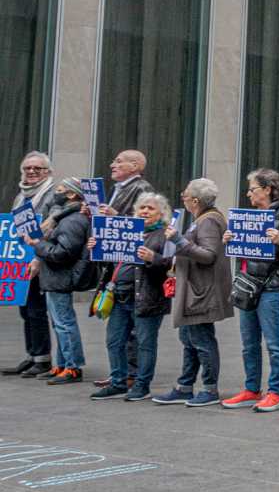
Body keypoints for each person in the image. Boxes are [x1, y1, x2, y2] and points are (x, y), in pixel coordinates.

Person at [220, 169, 279, 412]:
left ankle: (275, 392)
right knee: (248, 342)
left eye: (252, 188)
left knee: (274, 343)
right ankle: (252, 389)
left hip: (271, 286)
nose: (248, 193)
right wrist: (230, 240)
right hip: (247, 284)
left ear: (267, 189)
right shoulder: (250, 217)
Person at [152, 179, 232, 407]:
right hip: (194, 289)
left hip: (201, 291)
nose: (182, 197)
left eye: (185, 194)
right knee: (189, 338)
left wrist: (178, 240)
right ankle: (184, 386)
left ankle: (209, 388)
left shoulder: (208, 221)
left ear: (195, 200)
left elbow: (208, 255)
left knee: (201, 339)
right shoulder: (203, 219)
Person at [92, 149, 152, 390]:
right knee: (118, 330)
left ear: (135, 165)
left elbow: (144, 223)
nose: (112, 164)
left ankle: (131, 373)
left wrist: (116, 215)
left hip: (131, 270)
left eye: (119, 161)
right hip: (115, 266)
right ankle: (121, 372)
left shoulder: (141, 188)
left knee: (131, 330)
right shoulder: (120, 187)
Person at [22, 177, 91, 384]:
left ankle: (72, 367)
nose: (55, 193)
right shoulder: (64, 217)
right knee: (60, 323)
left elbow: (62, 253)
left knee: (64, 323)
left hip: (60, 277)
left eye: (60, 189)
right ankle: (62, 364)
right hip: (54, 278)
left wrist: (37, 244)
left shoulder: (72, 220)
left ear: (71, 194)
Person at [5, 152, 60, 377]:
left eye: (38, 168)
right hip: (20, 260)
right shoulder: (21, 196)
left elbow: (53, 226)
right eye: (28, 168)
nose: (32, 172)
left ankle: (43, 359)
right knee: (25, 310)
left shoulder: (52, 194)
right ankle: (31, 356)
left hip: (39, 260)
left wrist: (38, 258)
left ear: (48, 172)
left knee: (36, 310)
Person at [117, 192, 174, 401]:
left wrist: (153, 258)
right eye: (142, 207)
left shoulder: (165, 235)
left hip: (149, 297)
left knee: (145, 343)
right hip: (121, 295)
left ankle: (142, 384)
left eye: (150, 208)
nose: (144, 211)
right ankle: (120, 380)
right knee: (117, 341)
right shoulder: (127, 233)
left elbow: (172, 266)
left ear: (161, 214)